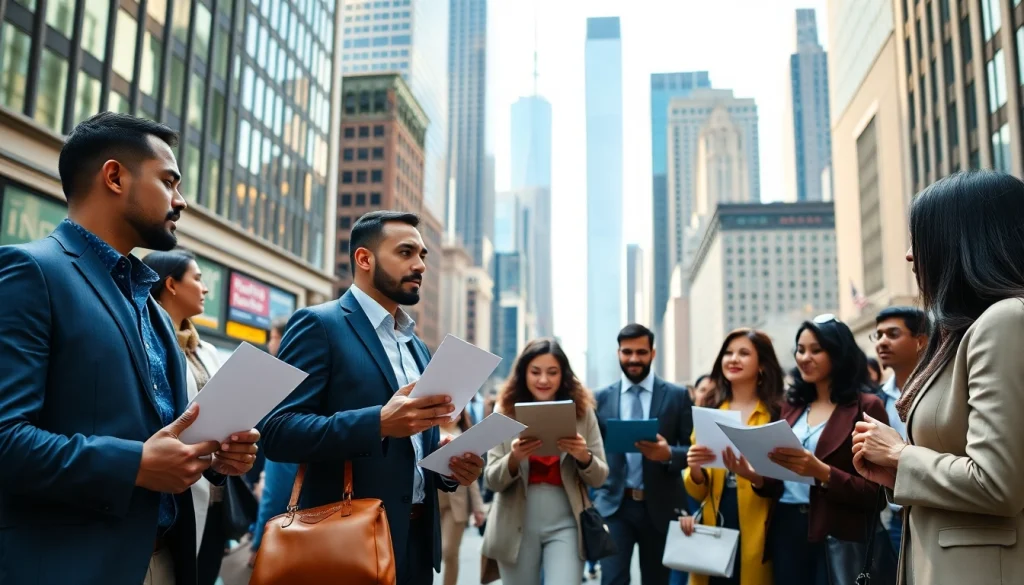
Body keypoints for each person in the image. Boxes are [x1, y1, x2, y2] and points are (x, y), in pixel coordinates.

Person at [0, 112, 258, 585]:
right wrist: (135, 464)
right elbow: (7, 439)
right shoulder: (31, 272)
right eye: (168, 182)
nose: (180, 201)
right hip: (72, 566)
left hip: (170, 560)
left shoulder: (153, 310)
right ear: (115, 176)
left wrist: (215, 459)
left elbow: (167, 441)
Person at [260, 210, 484, 585]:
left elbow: (412, 445)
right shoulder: (318, 324)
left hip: (415, 546)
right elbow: (278, 431)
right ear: (365, 259)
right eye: (406, 252)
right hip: (348, 542)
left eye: (423, 255)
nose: (420, 265)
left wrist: (448, 469)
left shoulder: (418, 347)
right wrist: (377, 422)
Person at [853, 171, 1024, 585]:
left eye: (921, 238)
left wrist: (899, 455)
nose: (910, 256)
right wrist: (898, 474)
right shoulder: (966, 330)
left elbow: (998, 484)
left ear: (963, 241)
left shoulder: (1004, 321)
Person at [760, 315, 888, 585]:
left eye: (816, 350)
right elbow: (775, 481)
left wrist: (822, 472)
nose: (805, 357)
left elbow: (877, 493)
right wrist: (750, 470)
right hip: (786, 528)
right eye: (801, 349)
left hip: (838, 534)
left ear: (838, 352)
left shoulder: (866, 407)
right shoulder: (790, 406)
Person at [481, 338, 610, 585]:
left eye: (552, 372)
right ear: (523, 373)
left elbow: (600, 476)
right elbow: (491, 480)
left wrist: (584, 456)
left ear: (563, 375)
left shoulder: (582, 412)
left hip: (567, 523)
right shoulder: (504, 411)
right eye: (535, 372)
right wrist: (514, 458)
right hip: (514, 525)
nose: (543, 380)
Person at [679, 329, 784, 585]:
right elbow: (697, 491)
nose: (733, 359)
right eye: (728, 353)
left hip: (761, 525)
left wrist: (752, 475)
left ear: (762, 366)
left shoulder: (777, 412)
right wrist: (694, 468)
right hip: (716, 519)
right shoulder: (711, 408)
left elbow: (784, 480)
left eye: (744, 353)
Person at [592, 324, 694, 585]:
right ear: (618, 353)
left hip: (660, 507)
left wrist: (668, 453)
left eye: (641, 352)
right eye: (627, 352)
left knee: (657, 580)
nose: (634, 359)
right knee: (612, 580)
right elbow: (593, 451)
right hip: (614, 506)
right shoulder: (600, 399)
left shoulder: (677, 396)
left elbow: (694, 450)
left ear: (653, 353)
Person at [870, 306, 929, 552]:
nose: (882, 342)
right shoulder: (878, 399)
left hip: (936, 510)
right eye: (879, 335)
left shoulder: (938, 392)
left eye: (893, 334)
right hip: (897, 516)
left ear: (921, 341)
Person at [438, 411, 486, 585]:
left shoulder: (466, 437)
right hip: (431, 500)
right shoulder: (429, 432)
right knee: (427, 552)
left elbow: (471, 479)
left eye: (460, 410)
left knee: (449, 551)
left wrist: (478, 507)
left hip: (457, 502)